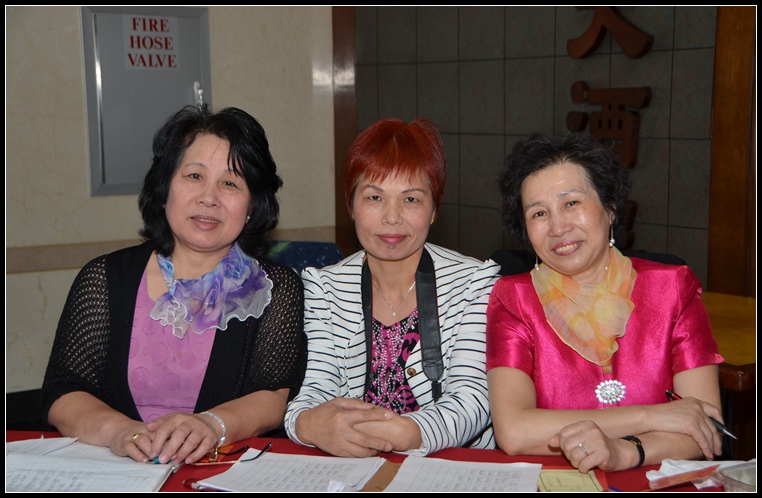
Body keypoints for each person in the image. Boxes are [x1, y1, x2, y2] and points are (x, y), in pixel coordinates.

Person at [41, 105, 307, 466]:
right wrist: (119, 432)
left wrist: (211, 425)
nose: (209, 197)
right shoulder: (104, 278)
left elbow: (273, 397)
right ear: (164, 189)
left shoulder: (275, 288)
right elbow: (64, 390)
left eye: (230, 183)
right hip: (117, 470)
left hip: (220, 470)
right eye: (194, 176)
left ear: (252, 206)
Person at [486, 133, 725, 472]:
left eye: (571, 203)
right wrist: (650, 416)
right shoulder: (513, 299)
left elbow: (705, 427)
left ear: (610, 208)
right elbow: (514, 431)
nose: (558, 227)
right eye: (539, 213)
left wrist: (624, 452)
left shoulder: (673, 287)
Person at [284, 118, 500, 457]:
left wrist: (405, 433)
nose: (392, 218)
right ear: (351, 205)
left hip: (453, 467)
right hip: (355, 469)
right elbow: (313, 391)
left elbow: (474, 399)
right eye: (374, 197)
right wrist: (307, 424)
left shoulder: (475, 282)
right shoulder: (325, 287)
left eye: (411, 199)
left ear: (434, 209)